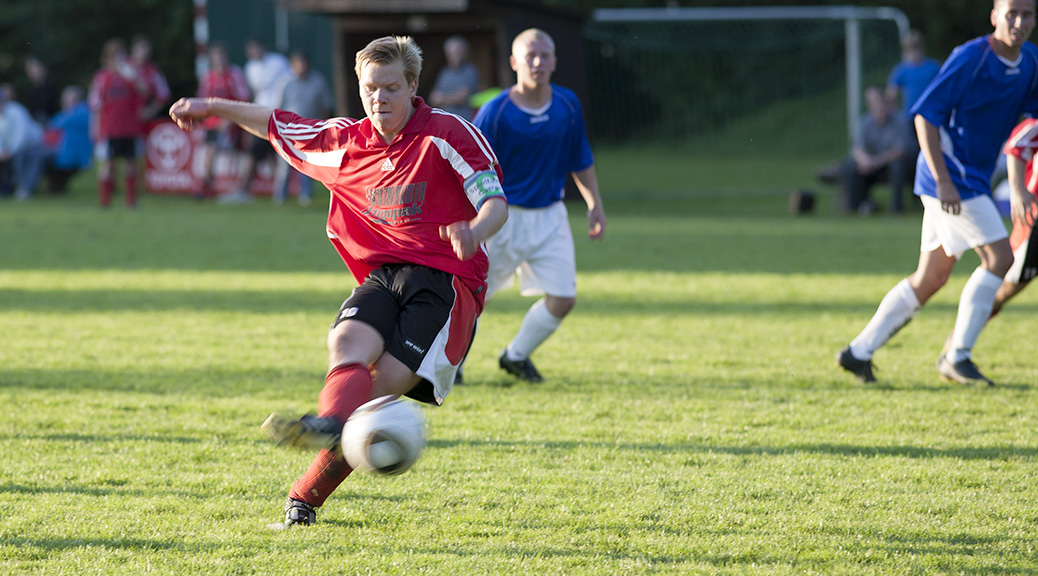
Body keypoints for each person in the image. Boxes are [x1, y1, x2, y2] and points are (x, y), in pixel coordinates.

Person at [168, 35, 508, 528]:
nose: (380, 99)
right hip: (384, 275)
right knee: (345, 342)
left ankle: (303, 496)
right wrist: (211, 106)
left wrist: (475, 231)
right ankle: (327, 427)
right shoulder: (345, 143)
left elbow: (495, 202)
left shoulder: (447, 133)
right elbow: (273, 124)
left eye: (391, 87)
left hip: (446, 285)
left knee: (371, 402)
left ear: (413, 86)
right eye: (371, 88)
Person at [837, 0, 1038, 387]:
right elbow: (924, 116)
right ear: (994, 16)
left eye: (1027, 14)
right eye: (1011, 13)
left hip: (967, 175)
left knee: (931, 277)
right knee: (1000, 257)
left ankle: (858, 352)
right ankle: (956, 356)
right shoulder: (971, 58)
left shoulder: (1028, 60)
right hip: (951, 177)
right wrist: (943, 180)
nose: (1019, 21)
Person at [472, 28, 606, 383]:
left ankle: (515, 356)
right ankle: (445, 367)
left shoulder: (567, 104)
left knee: (563, 297)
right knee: (470, 299)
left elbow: (580, 157)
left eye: (545, 55)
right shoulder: (494, 112)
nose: (538, 62)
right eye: (530, 55)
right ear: (514, 62)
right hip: (502, 218)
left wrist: (595, 203)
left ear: (555, 62)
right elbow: (470, 167)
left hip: (551, 216)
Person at [227, 39, 291, 203]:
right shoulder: (250, 68)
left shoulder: (278, 62)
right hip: (260, 116)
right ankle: (243, 191)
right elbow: (253, 92)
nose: (254, 53)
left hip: (278, 115)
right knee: (252, 153)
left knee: (281, 154)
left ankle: (281, 193)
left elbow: (289, 83)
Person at [89, 38, 150, 209]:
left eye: (121, 56)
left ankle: (131, 201)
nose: (118, 61)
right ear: (108, 58)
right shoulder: (102, 78)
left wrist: (133, 77)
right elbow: (95, 105)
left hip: (130, 129)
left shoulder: (131, 76)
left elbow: (145, 92)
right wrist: (96, 129)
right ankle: (104, 201)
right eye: (114, 57)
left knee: (131, 164)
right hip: (110, 130)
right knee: (107, 165)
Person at [838, 85, 912, 215]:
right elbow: (857, 147)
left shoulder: (900, 122)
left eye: (883, 104)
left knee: (898, 166)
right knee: (849, 165)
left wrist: (876, 161)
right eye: (876, 105)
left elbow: (900, 150)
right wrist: (865, 160)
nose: (880, 108)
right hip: (871, 164)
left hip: (893, 164)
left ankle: (896, 207)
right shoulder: (865, 122)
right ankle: (856, 206)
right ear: (870, 106)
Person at [272, 49, 332, 206]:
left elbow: (325, 106)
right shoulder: (285, 82)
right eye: (298, 63)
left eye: (304, 62)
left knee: (307, 163)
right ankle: (280, 195)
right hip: (288, 130)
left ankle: (305, 195)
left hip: (311, 130)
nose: (302, 66)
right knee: (284, 163)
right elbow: (278, 107)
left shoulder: (318, 81)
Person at [196, 43, 251, 199]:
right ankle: (206, 185)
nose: (219, 59)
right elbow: (202, 100)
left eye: (221, 56)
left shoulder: (234, 75)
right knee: (209, 152)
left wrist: (229, 120)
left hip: (232, 122)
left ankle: (241, 189)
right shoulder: (207, 77)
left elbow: (244, 98)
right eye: (215, 56)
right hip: (212, 124)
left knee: (238, 153)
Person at [0, 84, 49, 201]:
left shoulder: (16, 110)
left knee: (23, 157)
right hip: (13, 148)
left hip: (34, 144)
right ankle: (7, 188)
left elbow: (21, 135)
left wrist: (10, 151)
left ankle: (26, 188)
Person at [44, 85, 92, 193]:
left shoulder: (82, 112)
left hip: (73, 157)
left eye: (67, 99)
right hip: (64, 154)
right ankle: (56, 186)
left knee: (39, 159)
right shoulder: (68, 114)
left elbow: (56, 123)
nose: (64, 102)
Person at [428, 35, 479, 120]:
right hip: (447, 120)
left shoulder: (470, 71)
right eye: (452, 53)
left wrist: (442, 98)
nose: (455, 56)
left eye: (458, 52)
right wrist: (451, 97)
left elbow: (462, 97)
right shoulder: (444, 73)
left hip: (466, 120)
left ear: (464, 53)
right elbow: (433, 99)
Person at [24, 56, 59, 124]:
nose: (33, 72)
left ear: (42, 68)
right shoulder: (30, 91)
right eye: (29, 70)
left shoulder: (53, 85)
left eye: (34, 68)